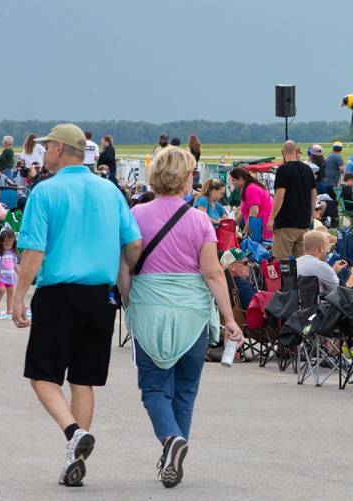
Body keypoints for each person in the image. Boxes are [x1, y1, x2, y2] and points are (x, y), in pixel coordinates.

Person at [12, 123, 142, 488]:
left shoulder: (46, 191)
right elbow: (133, 244)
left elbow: (34, 251)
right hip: (100, 296)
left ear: (59, 149)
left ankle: (72, 433)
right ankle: (75, 452)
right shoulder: (110, 190)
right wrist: (127, 275)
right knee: (83, 379)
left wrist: (19, 295)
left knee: (42, 375)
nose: (44, 152)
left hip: (59, 294)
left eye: (47, 146)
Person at [119, 146, 241, 488]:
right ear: (185, 178)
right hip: (192, 313)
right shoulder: (199, 219)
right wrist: (230, 319)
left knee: (154, 388)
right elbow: (213, 273)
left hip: (150, 310)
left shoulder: (136, 214)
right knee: (186, 389)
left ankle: (170, 441)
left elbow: (125, 269)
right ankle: (174, 445)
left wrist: (130, 303)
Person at [268, 140, 317, 259]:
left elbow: (280, 195)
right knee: (301, 262)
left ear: (282, 152)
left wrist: (271, 218)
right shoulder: (307, 169)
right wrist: (311, 214)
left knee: (282, 261)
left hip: (286, 224)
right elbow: (314, 193)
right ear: (297, 151)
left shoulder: (283, 170)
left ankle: (286, 279)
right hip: (303, 223)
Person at [296, 230, 347, 296]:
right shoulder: (322, 266)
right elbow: (339, 294)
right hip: (316, 305)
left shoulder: (296, 262)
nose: (327, 250)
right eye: (327, 246)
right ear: (321, 248)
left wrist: (333, 270)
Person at [230, 166, 273, 241]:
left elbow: (254, 213)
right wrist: (232, 225)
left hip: (262, 231)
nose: (232, 183)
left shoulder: (251, 189)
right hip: (259, 229)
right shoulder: (247, 187)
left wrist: (244, 233)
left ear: (240, 179)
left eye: (233, 180)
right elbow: (241, 211)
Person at [0, 229, 19, 315]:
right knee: (2, 290)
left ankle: (9, 309)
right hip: (0, 277)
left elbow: (14, 265)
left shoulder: (13, 252)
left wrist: (19, 274)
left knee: (11, 293)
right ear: (1, 242)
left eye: (10, 244)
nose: (8, 246)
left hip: (10, 278)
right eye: (6, 244)